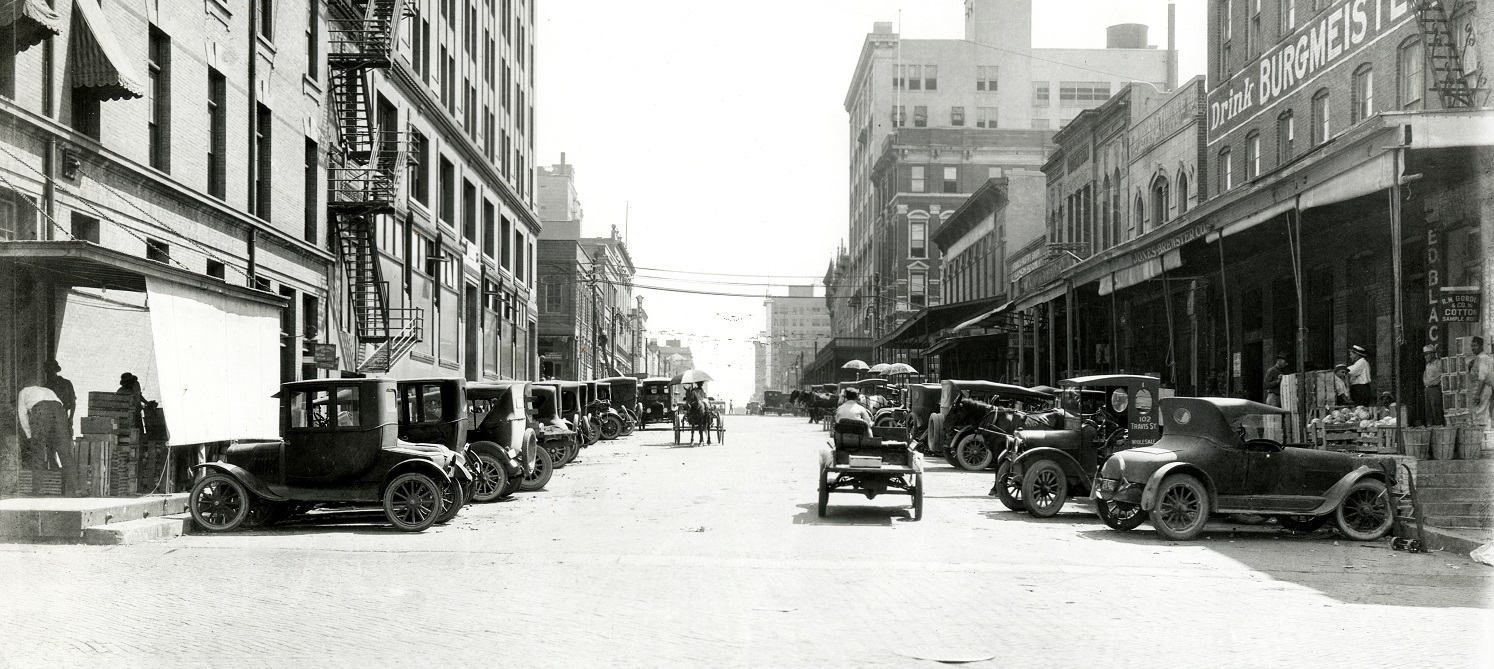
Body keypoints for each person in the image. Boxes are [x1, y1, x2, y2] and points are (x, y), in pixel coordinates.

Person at [17, 378, 77, 496]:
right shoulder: (47, 390)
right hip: (59, 411)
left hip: (41, 410)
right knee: (65, 452)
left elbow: (22, 415)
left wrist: (29, 435)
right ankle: (74, 489)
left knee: (38, 450)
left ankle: (37, 490)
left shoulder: (23, 392)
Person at [1471, 336, 1494, 428]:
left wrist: (1477, 394)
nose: (1473, 348)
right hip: (1479, 388)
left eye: (1475, 346)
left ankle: (1481, 436)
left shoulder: (1483, 358)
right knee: (1478, 413)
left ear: (1481, 346)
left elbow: (1482, 377)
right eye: (1472, 345)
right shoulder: (1479, 357)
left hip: (1483, 389)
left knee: (1481, 412)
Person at [1422, 344, 1444, 426]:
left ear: (1432, 354)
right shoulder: (1428, 365)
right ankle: (1430, 426)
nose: (1425, 357)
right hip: (1427, 389)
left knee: (1436, 410)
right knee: (1428, 410)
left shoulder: (1439, 363)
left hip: (1435, 388)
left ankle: (1438, 426)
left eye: (1426, 354)